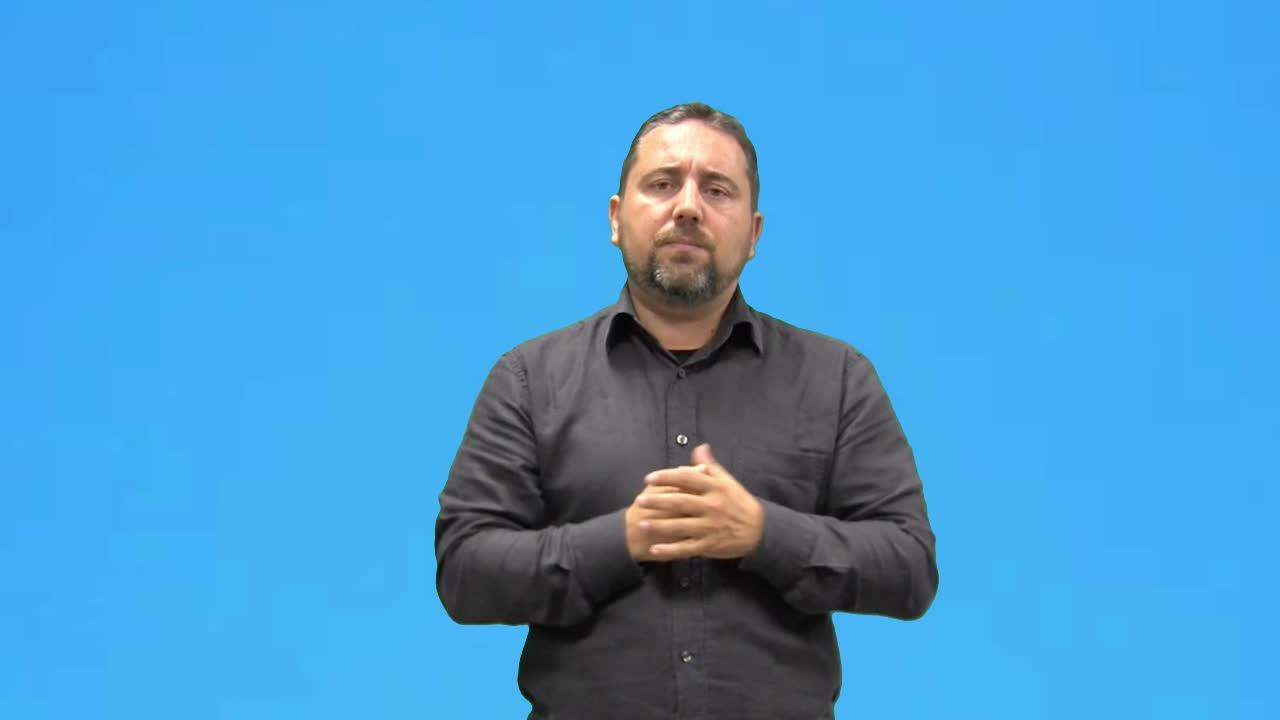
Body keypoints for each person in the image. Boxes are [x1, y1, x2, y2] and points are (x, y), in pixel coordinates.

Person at [435, 102, 938, 719]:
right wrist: (622, 540)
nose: (689, 207)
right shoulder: (528, 380)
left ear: (753, 234)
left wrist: (762, 533)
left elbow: (910, 566)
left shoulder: (836, 378)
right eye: (663, 183)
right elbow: (464, 572)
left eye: (717, 190)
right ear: (616, 218)